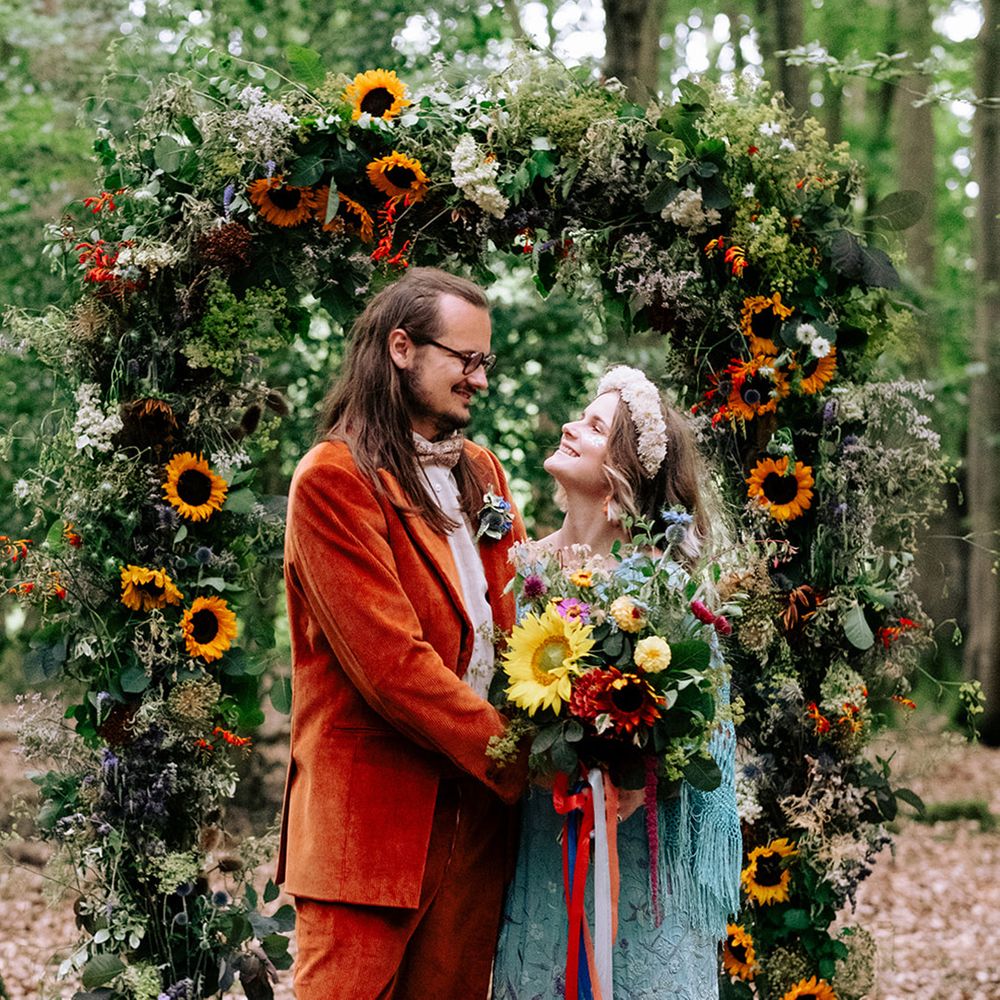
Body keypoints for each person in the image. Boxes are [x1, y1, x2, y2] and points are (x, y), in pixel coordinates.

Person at [276, 267, 528, 1000]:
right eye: (467, 360)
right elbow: (393, 668)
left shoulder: (482, 471)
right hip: (370, 831)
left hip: (476, 830)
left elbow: (514, 621)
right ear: (401, 347)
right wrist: (522, 763)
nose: (480, 380)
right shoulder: (334, 480)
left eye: (487, 362)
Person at [492, 365, 742, 1000]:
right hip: (547, 836)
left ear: (619, 478)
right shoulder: (523, 571)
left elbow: (707, 724)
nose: (572, 427)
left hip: (637, 852)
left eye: (595, 426)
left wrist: (642, 777)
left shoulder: (669, 587)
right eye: (582, 416)